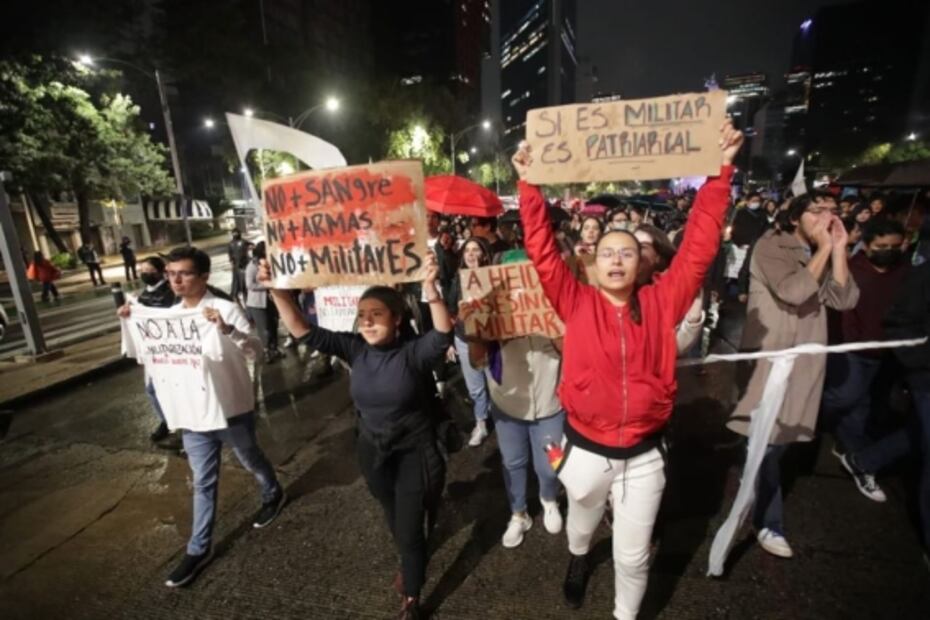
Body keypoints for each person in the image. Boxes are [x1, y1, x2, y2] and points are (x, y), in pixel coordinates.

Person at [513, 120, 744, 620]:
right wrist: (528, 186)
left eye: (627, 253)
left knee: (634, 555)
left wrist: (721, 172)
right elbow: (542, 252)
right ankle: (578, 560)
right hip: (583, 452)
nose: (616, 260)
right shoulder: (574, 301)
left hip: (645, 456)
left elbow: (700, 249)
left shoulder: (663, 302)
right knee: (581, 526)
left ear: (641, 264)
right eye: (606, 254)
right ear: (592, 264)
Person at [265, 253, 452, 620]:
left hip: (415, 454)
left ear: (397, 319)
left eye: (376, 314)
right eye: (362, 314)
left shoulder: (413, 354)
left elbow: (443, 334)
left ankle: (411, 599)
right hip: (373, 452)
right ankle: (410, 554)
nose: (367, 321)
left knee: (411, 530)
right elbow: (303, 329)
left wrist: (431, 290)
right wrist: (279, 293)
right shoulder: (354, 348)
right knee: (393, 515)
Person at [121, 246, 286, 587]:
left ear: (205, 276)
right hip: (193, 414)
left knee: (250, 458)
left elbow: (256, 350)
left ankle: (272, 492)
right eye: (170, 274)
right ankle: (198, 549)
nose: (175, 280)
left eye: (183, 273)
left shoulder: (225, 309)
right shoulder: (168, 317)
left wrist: (228, 330)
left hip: (231, 409)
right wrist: (131, 320)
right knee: (203, 481)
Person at [728, 191, 858, 560]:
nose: (827, 218)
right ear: (795, 217)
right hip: (768, 362)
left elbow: (844, 300)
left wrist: (839, 250)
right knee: (766, 444)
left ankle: (753, 485)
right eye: (817, 211)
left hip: (804, 362)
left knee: (776, 442)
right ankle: (769, 520)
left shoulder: (827, 249)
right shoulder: (771, 245)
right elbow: (794, 291)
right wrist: (822, 250)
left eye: (833, 211)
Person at [841, 262, 930, 563]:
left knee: (919, 433)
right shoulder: (922, 275)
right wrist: (920, 365)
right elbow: (899, 321)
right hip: (926, 379)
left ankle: (864, 460)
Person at [821, 219, 909, 502]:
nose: (888, 251)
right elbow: (840, 309)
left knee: (866, 405)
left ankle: (851, 450)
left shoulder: (907, 274)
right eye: (881, 246)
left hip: (888, 353)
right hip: (852, 349)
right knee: (846, 397)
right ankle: (852, 452)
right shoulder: (851, 270)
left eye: (895, 246)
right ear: (868, 246)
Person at [445, 237, 494, 447]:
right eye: (467, 251)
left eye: (476, 250)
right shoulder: (458, 280)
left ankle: (503, 419)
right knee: (475, 386)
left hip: (492, 340)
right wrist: (449, 341)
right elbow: (450, 313)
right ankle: (481, 422)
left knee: (496, 383)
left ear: (484, 254)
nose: (471, 254)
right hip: (465, 339)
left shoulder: (494, 276)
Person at [126, 256, 177, 442]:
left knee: (170, 388)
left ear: (160, 271)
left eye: (149, 271)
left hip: (171, 350)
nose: (144, 274)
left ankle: (180, 425)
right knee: (153, 389)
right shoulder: (144, 294)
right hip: (153, 351)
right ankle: (168, 422)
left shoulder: (171, 292)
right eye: (142, 271)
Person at [245, 241, 282, 363]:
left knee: (274, 325)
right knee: (264, 329)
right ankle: (266, 351)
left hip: (270, 300)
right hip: (257, 303)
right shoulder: (251, 266)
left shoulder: (270, 262)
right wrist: (267, 285)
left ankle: (275, 349)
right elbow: (250, 285)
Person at [228, 230, 248, 301]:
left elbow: (252, 245)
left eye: (236, 233)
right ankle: (235, 295)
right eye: (234, 233)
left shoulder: (244, 242)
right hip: (236, 265)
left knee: (244, 281)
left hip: (244, 265)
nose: (235, 234)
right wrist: (232, 263)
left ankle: (245, 294)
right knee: (236, 281)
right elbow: (230, 254)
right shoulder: (231, 243)